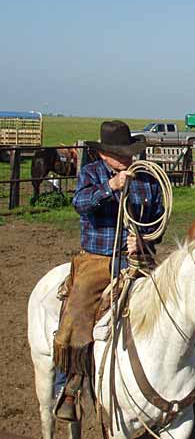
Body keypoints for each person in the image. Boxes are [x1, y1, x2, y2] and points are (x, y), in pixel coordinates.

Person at [53, 120, 164, 422]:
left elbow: (157, 219)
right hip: (98, 257)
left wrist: (143, 238)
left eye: (129, 152)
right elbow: (80, 203)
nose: (128, 158)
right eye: (121, 153)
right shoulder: (91, 174)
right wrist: (110, 187)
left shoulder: (147, 180)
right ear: (105, 154)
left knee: (173, 301)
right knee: (78, 308)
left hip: (138, 258)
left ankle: (180, 374)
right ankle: (71, 384)